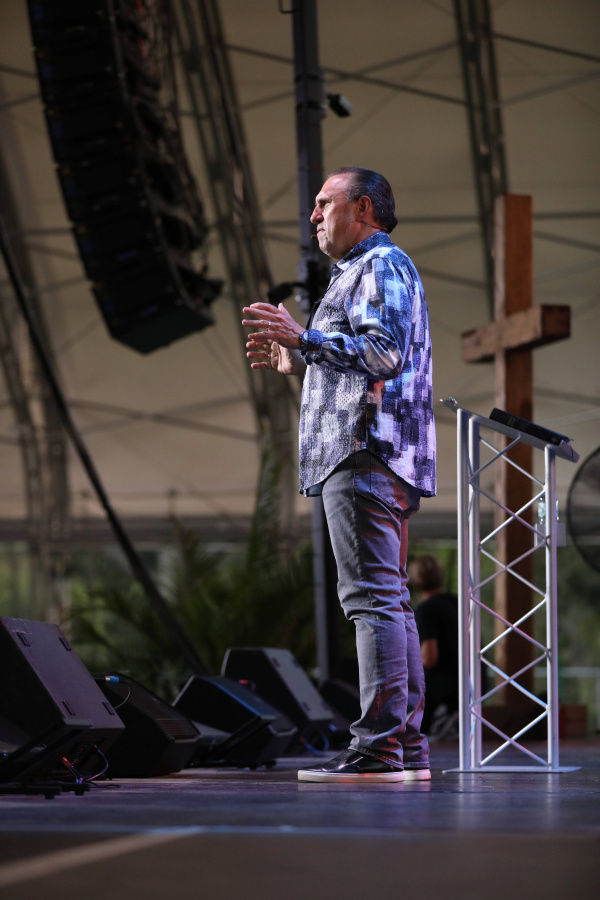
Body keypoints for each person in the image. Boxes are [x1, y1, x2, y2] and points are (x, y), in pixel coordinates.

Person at [242, 167, 436, 782]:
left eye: (325, 203)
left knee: (372, 601)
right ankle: (404, 746)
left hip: (362, 454)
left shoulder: (379, 263)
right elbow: (364, 361)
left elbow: (383, 352)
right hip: (377, 453)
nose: (314, 215)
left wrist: (306, 338)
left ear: (364, 209)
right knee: (390, 600)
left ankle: (379, 748)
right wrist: (299, 358)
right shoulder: (367, 269)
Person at [409, 555, 459, 739]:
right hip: (472, 685)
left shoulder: (427, 610)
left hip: (444, 692)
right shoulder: (458, 603)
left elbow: (429, 659)